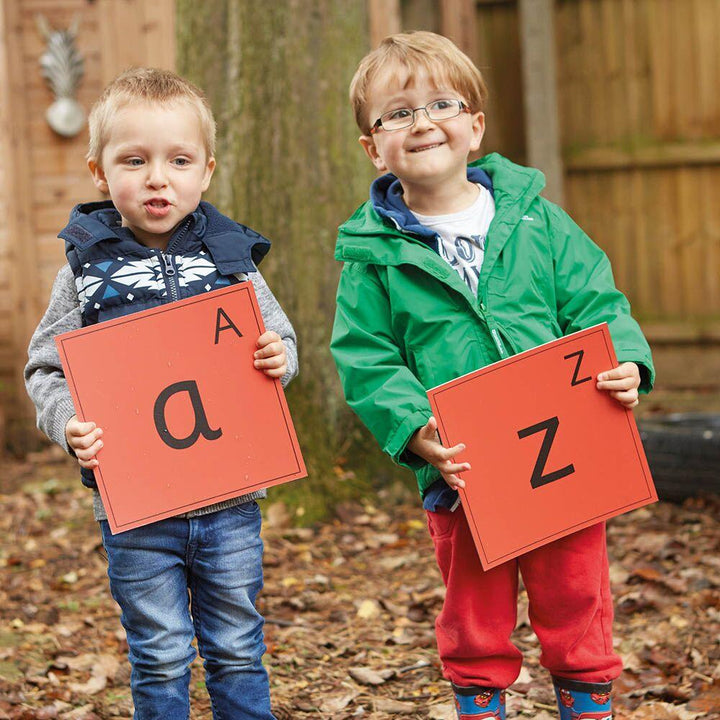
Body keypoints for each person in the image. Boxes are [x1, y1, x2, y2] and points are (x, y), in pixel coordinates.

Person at [330, 31, 653, 720]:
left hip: (566, 457)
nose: (421, 122)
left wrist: (626, 360)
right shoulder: (373, 256)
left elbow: (596, 301)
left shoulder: (538, 220)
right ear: (372, 147)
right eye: (396, 113)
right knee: (474, 608)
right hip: (463, 468)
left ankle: (587, 698)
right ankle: (481, 700)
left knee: (576, 594)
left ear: (474, 125)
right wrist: (413, 426)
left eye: (441, 103)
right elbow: (366, 355)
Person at [25, 67, 296, 720]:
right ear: (98, 172)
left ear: (205, 170)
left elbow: (280, 340)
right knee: (162, 650)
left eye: (177, 160)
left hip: (231, 497)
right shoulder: (84, 271)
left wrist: (277, 356)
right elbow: (46, 368)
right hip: (136, 509)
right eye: (134, 160)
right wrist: (67, 424)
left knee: (236, 643)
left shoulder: (232, 260)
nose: (156, 177)